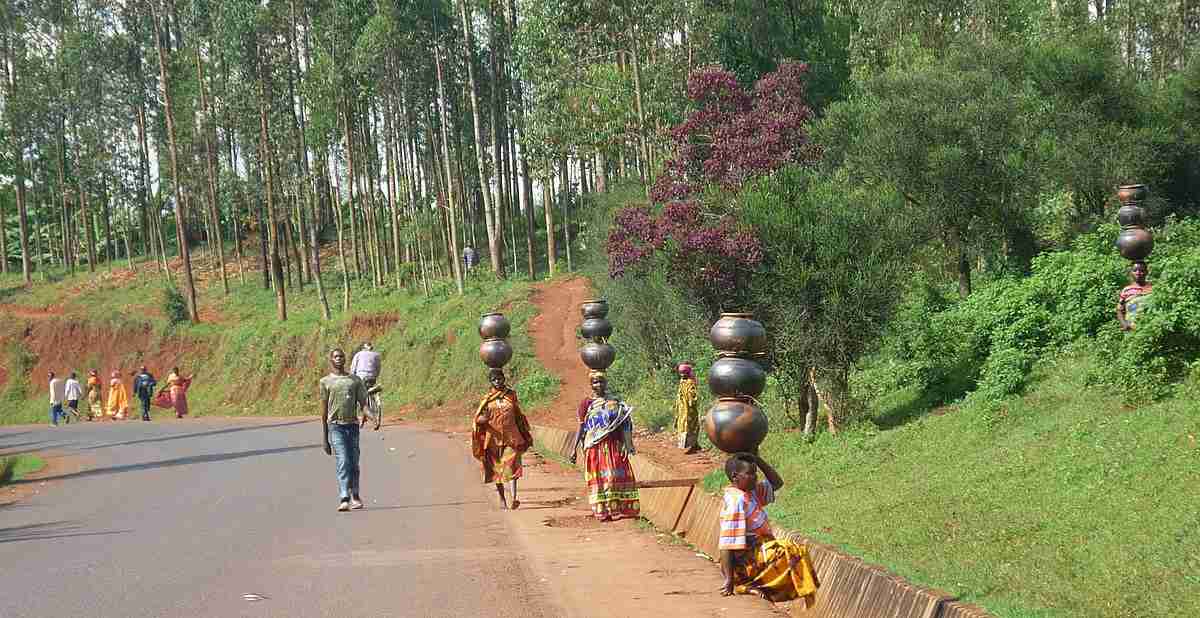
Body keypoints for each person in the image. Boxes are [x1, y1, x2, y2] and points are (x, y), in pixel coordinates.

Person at [719, 452, 819, 605]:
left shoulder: (749, 493)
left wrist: (757, 459)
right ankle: (745, 584)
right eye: (750, 474)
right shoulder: (736, 501)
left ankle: (754, 587)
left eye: (756, 473)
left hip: (757, 552)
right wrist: (729, 579)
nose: (755, 477)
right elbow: (726, 543)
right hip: (744, 561)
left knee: (796, 551)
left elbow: (777, 483)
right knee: (787, 551)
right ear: (735, 477)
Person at [570, 371, 640, 521]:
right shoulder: (586, 404)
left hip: (613, 445)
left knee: (614, 477)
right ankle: (602, 511)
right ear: (591, 385)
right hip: (594, 447)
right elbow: (581, 427)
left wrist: (627, 444)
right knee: (599, 480)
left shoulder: (615, 403)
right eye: (595, 382)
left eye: (601, 382)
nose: (599, 385)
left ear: (606, 383)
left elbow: (625, 424)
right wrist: (574, 449)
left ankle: (618, 509)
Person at [320, 348, 373, 512]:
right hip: (335, 426)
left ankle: (355, 496)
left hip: (352, 426)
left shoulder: (354, 380)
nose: (339, 358)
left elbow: (363, 404)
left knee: (354, 463)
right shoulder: (325, 382)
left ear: (345, 359)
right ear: (331, 360)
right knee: (343, 461)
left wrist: (373, 417)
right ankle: (344, 497)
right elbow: (323, 411)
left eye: (341, 356)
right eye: (335, 356)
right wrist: (325, 438)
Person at [471, 369, 533, 510]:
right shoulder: (487, 399)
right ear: (491, 382)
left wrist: (524, 433)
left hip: (511, 438)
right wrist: (483, 419)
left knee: (511, 467)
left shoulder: (511, 395)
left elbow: (518, 415)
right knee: (497, 471)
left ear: (504, 379)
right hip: (493, 439)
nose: (498, 382)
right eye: (494, 380)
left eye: (500, 379)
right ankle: (502, 498)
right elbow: (477, 419)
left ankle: (514, 498)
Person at [1117, 261, 1153, 331]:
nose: (1138, 273)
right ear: (1131, 273)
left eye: (1141, 270)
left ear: (1146, 272)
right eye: (1135, 270)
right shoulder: (1126, 290)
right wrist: (1124, 323)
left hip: (1150, 328)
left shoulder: (1153, 289)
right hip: (1132, 329)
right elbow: (1119, 309)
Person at [674, 363, 700, 453]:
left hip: (682, 408)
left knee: (684, 426)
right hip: (689, 409)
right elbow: (692, 397)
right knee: (692, 426)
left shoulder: (682, 381)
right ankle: (693, 445)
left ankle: (694, 445)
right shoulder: (690, 382)